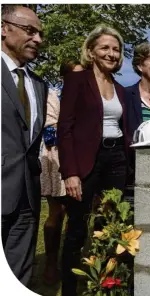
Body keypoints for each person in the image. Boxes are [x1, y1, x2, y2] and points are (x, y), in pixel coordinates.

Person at [57, 24, 129, 296]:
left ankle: (104, 285)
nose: (111, 53)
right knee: (77, 228)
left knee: (109, 227)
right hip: (86, 160)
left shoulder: (121, 89)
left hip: (116, 160)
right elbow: (65, 128)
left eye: (116, 49)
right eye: (105, 48)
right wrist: (70, 172)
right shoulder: (77, 80)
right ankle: (69, 289)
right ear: (91, 51)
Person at [1, 5, 47, 285]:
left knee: (18, 278)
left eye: (40, 33)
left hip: (27, 198)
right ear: (4, 28)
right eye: (30, 31)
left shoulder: (38, 84)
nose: (38, 39)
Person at [39, 59, 84, 285]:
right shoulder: (53, 95)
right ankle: (50, 263)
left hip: (78, 159)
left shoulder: (83, 97)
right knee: (56, 212)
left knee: (76, 212)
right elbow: (49, 129)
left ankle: (72, 261)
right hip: (56, 157)